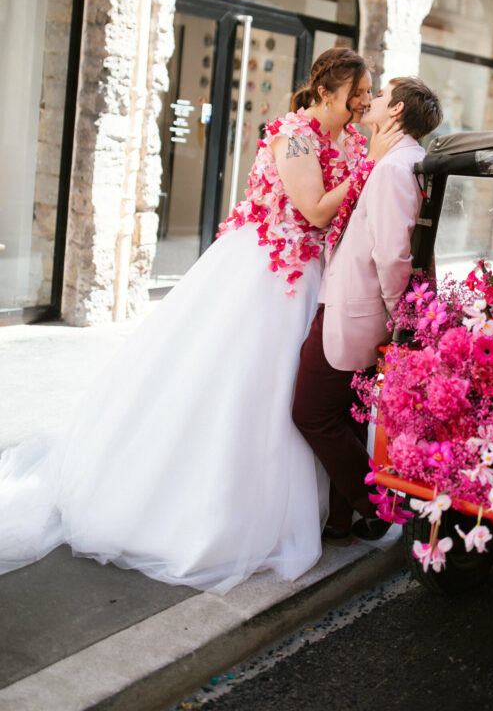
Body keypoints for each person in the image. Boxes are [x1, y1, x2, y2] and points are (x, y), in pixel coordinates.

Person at [0, 48, 403, 593]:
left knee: (308, 396)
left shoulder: (350, 140)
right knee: (244, 389)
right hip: (269, 273)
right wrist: (371, 167)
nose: (363, 101)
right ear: (328, 91)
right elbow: (312, 210)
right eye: (359, 91)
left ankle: (331, 508)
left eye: (368, 92)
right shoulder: (297, 136)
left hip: (318, 279)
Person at [293, 76, 442, 544]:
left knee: (312, 413)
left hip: (354, 308)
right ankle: (342, 520)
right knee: (350, 414)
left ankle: (380, 505)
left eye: (380, 96)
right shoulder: (409, 161)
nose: (371, 101)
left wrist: (402, 317)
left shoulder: (397, 168)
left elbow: (394, 254)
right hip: (356, 305)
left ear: (396, 111)